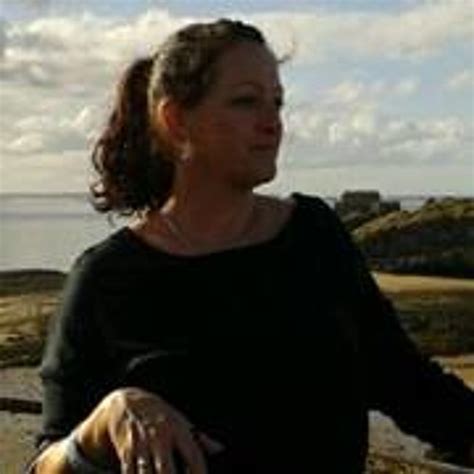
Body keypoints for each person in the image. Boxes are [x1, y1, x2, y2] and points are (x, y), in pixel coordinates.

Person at [30, 18, 474, 474]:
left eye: (276, 102)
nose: (272, 123)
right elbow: (45, 464)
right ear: (176, 121)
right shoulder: (106, 278)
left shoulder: (313, 235)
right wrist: (103, 423)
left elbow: (405, 381)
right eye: (246, 101)